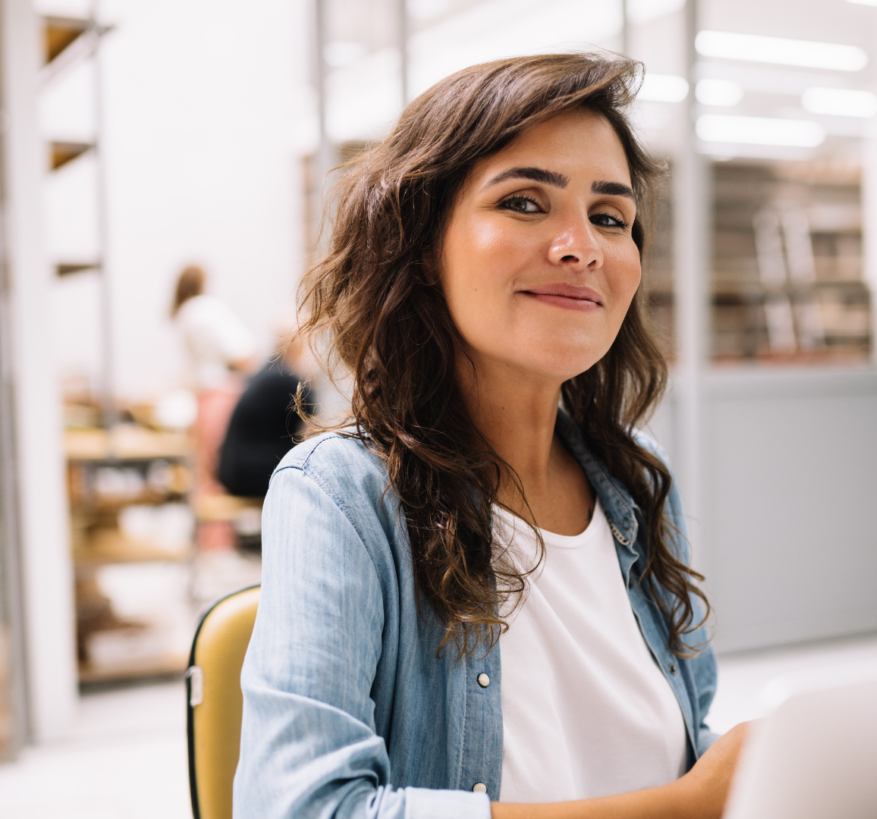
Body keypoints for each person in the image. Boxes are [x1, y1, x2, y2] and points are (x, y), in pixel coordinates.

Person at [235, 53, 748, 819]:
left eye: (610, 217)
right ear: (422, 246)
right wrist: (686, 804)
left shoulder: (641, 484)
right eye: (524, 203)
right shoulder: (341, 496)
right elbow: (301, 809)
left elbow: (682, 750)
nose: (583, 247)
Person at [171, 265, 256, 549]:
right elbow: (244, 352)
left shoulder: (182, 314)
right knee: (221, 469)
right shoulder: (207, 309)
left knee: (203, 471)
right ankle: (220, 544)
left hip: (201, 398)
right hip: (221, 396)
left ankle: (207, 541)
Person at [217, 331, 316, 500]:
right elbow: (313, 425)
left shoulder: (266, 372)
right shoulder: (285, 379)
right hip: (249, 474)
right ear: (299, 347)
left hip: (233, 471)